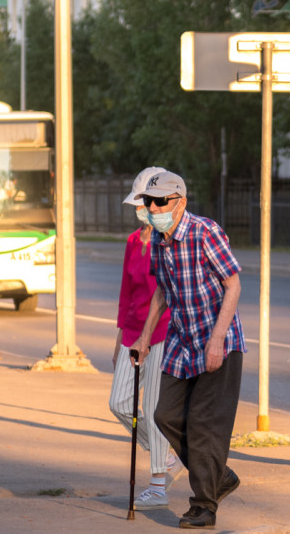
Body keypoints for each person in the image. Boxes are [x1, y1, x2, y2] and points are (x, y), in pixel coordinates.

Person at [131, 171, 246, 529]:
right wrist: (144, 338)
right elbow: (162, 292)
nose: (153, 208)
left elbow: (233, 285)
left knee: (204, 425)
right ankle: (218, 476)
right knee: (165, 415)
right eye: (148, 202)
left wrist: (216, 339)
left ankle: (204, 506)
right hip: (183, 343)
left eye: (160, 202)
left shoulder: (204, 232)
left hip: (218, 343)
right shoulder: (161, 241)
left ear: (180, 202)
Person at [108, 166, 186, 511]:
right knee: (120, 403)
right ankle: (167, 456)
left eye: (148, 203)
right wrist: (120, 339)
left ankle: (157, 484)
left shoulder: (171, 242)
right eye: (140, 204)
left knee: (153, 410)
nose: (145, 210)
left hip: (164, 333)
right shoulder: (131, 242)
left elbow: (171, 294)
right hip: (132, 334)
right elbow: (127, 293)